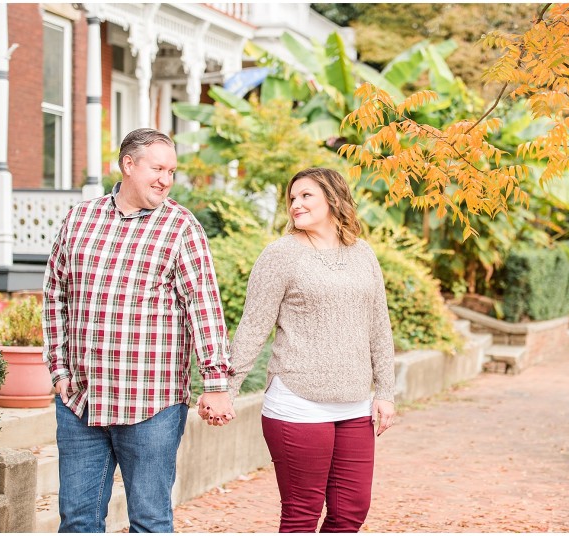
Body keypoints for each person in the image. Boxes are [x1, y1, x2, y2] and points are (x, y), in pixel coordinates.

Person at [43, 128, 235, 533]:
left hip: (151, 405)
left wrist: (216, 384)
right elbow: (55, 294)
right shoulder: (81, 218)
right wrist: (59, 370)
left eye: (172, 171)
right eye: (158, 168)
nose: (166, 179)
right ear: (128, 165)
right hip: (82, 401)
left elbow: (204, 307)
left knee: (149, 521)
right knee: (77, 519)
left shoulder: (181, 227)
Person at [213, 167, 396, 533]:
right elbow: (253, 327)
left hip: (355, 403)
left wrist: (386, 392)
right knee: (301, 515)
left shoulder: (362, 253)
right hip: (298, 401)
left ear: (332, 197)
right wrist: (225, 389)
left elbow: (379, 326)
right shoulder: (280, 254)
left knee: (350, 513)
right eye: (292, 198)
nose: (296, 204)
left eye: (306, 195)